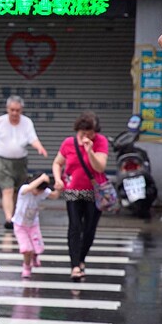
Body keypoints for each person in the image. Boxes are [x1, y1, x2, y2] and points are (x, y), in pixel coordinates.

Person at [52, 111, 109, 282]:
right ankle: (75, 266)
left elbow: (100, 167)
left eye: (91, 132)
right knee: (75, 227)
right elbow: (57, 162)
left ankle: (82, 258)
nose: (87, 136)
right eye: (83, 133)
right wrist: (57, 179)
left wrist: (90, 150)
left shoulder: (101, 141)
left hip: (94, 193)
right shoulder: (68, 143)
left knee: (89, 229)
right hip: (73, 192)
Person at [0, 95, 48, 230]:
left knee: (16, 191)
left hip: (20, 162)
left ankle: (14, 216)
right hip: (2, 161)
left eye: (17, 110)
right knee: (7, 190)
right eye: (12, 110)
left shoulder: (27, 122)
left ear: (21, 110)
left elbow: (33, 138)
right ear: (7, 109)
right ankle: (9, 219)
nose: (14, 113)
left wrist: (39, 147)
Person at [12, 173, 60, 278]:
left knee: (37, 247)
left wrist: (59, 188)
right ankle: (26, 267)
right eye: (37, 191)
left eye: (40, 192)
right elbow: (30, 187)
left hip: (33, 225)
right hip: (20, 225)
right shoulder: (25, 190)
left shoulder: (42, 192)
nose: (38, 193)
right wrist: (42, 178)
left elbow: (55, 195)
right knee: (26, 249)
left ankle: (34, 256)